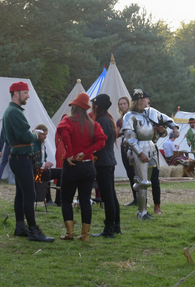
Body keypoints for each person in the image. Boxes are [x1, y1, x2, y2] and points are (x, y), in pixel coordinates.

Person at [2, 81, 54, 242]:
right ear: (16, 93)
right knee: (29, 193)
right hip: (21, 158)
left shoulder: (13, 111)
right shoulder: (14, 112)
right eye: (25, 92)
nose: (28, 96)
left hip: (19, 157)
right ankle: (33, 230)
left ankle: (20, 227)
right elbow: (26, 136)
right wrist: (34, 134)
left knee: (21, 194)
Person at [57, 92, 106, 242]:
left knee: (66, 200)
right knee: (85, 200)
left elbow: (64, 133)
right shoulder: (94, 124)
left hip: (71, 166)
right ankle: (85, 235)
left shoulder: (68, 121)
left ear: (74, 107)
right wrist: (85, 153)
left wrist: (71, 154)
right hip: (88, 167)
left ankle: (70, 233)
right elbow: (101, 142)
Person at [122, 89, 178, 220]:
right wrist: (140, 153)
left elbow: (165, 118)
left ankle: (151, 208)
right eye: (147, 99)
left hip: (152, 148)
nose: (149, 101)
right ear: (140, 100)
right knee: (143, 182)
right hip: (138, 148)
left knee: (153, 180)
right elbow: (129, 138)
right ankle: (142, 212)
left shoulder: (151, 112)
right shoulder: (129, 116)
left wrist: (174, 127)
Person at [91, 94, 121, 238]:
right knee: (111, 195)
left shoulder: (102, 121)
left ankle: (109, 229)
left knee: (108, 197)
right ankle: (116, 226)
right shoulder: (107, 119)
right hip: (108, 161)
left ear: (97, 106)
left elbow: (99, 142)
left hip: (103, 162)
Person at [32, 124, 61, 206]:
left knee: (61, 172)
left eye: (46, 135)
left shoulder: (42, 145)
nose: (45, 137)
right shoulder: (33, 144)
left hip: (42, 171)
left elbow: (44, 159)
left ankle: (59, 200)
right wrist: (44, 164)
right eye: (43, 135)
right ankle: (48, 199)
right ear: (38, 134)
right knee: (46, 171)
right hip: (35, 175)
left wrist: (46, 164)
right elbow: (31, 163)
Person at [116, 96, 136, 206]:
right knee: (130, 174)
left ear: (128, 104)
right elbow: (117, 133)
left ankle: (142, 199)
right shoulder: (120, 120)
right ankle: (135, 198)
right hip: (124, 147)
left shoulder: (134, 117)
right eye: (120, 104)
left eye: (124, 103)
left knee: (137, 173)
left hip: (134, 148)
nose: (122, 106)